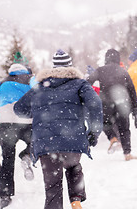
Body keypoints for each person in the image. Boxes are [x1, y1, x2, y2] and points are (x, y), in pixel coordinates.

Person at [14, 49, 103, 209]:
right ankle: (76, 199)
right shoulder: (80, 84)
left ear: (53, 68)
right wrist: (94, 132)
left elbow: (19, 109)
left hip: (46, 144)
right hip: (73, 140)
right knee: (73, 166)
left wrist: (38, 110)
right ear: (70, 66)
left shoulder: (40, 86)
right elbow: (94, 104)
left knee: (52, 188)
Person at [0, 63, 35, 208]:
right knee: (37, 143)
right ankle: (26, 155)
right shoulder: (30, 79)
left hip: (5, 123)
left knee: (7, 158)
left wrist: (8, 99)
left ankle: (5, 195)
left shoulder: (3, 82)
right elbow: (38, 93)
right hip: (26, 121)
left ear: (11, 72)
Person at [87, 49, 137, 160]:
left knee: (106, 123)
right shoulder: (123, 71)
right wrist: (134, 107)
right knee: (124, 129)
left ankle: (113, 138)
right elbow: (132, 90)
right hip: (122, 104)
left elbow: (87, 83)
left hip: (106, 104)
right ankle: (127, 154)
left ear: (106, 59)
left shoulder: (100, 70)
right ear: (118, 59)